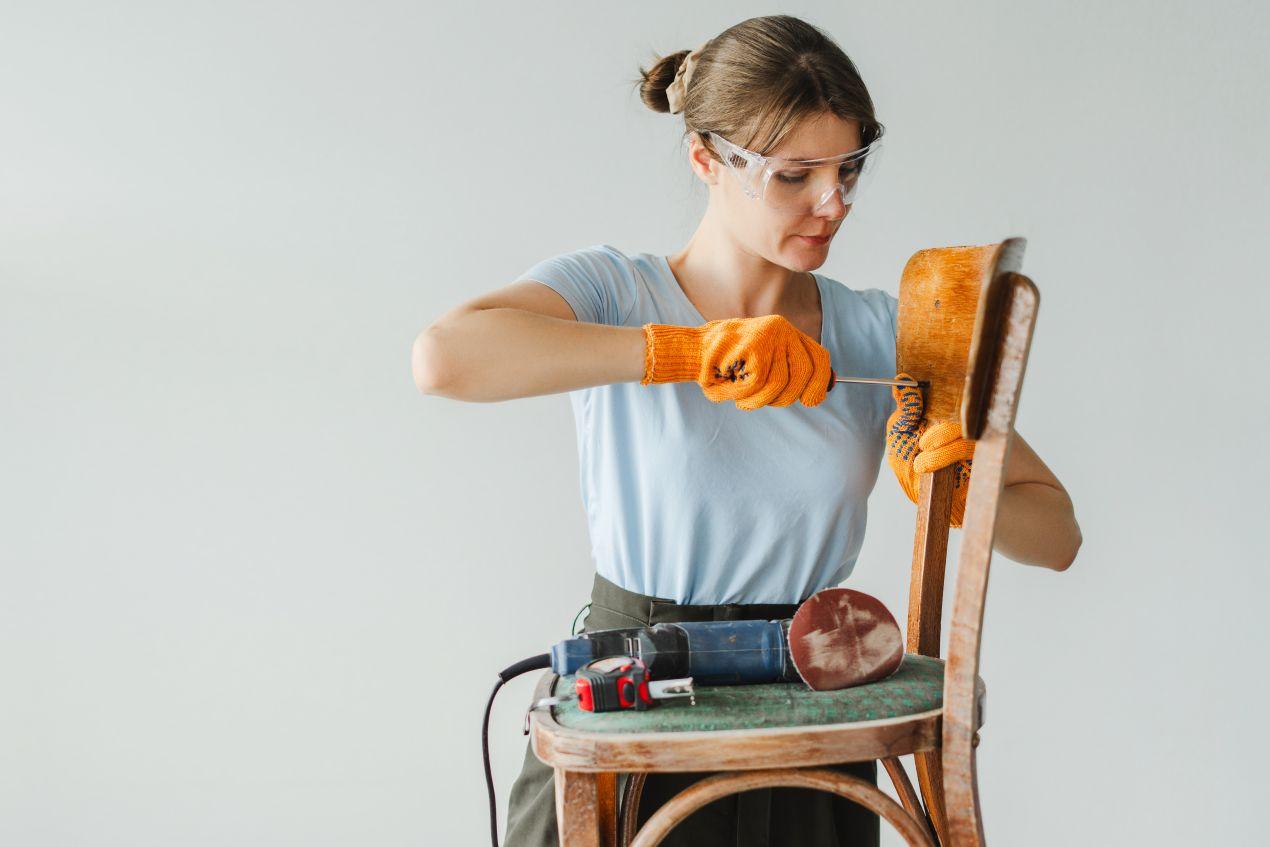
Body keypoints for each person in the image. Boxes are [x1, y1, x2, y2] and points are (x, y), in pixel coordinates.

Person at [412, 14, 1082, 847]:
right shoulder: (614, 293)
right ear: (706, 160)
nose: (832, 202)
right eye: (795, 175)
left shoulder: (882, 336)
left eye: (848, 169)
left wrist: (959, 488)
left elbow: (1056, 534)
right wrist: (687, 351)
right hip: (637, 710)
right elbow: (443, 359)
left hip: (812, 727)